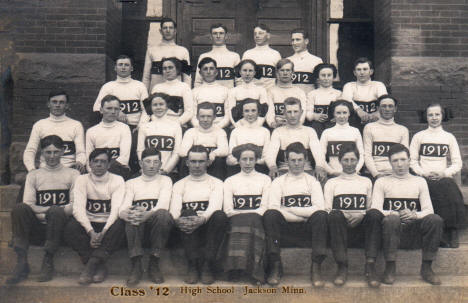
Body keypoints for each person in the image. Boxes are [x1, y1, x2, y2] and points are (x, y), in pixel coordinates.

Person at [6, 135, 80, 284]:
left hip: (60, 228)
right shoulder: (34, 175)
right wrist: (49, 212)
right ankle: (21, 262)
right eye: (48, 152)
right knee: (20, 208)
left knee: (56, 211)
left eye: (56, 152)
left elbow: (73, 206)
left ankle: (48, 260)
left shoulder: (73, 174)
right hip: (39, 228)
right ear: (42, 153)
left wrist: (51, 212)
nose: (52, 156)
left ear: (62, 152)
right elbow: (28, 204)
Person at [370, 143, 444, 285]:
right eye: (395, 160)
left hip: (413, 232)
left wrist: (414, 215)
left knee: (435, 220)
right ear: (390, 163)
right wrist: (394, 213)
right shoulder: (382, 182)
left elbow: (429, 210)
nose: (400, 164)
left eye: (403, 159)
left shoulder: (419, 181)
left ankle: (427, 268)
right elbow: (376, 209)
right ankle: (390, 267)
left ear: (409, 160)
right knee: (392, 219)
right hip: (390, 233)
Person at [263, 142, 328, 287]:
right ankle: (275, 266)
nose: (297, 164)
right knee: (270, 214)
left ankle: (316, 267)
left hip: (307, 230)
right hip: (285, 230)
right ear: (287, 160)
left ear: (305, 160)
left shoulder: (312, 181)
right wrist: (302, 215)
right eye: (293, 160)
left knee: (321, 216)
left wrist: (290, 209)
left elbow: (319, 208)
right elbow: (273, 207)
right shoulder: (278, 182)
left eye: (300, 160)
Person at [64, 148, 126, 285]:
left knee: (121, 225)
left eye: (103, 162)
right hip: (89, 223)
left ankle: (91, 266)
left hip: (108, 224)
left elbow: (116, 210)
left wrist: (103, 232)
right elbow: (78, 208)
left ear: (109, 165)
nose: (99, 164)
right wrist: (91, 232)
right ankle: (99, 266)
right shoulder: (82, 179)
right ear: (90, 164)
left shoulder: (117, 180)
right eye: (95, 161)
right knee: (70, 227)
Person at [324, 144, 381, 287]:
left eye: (352, 160)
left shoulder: (366, 181)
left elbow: (370, 207)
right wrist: (345, 214)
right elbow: (327, 209)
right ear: (339, 161)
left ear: (358, 161)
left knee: (374, 214)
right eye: (345, 160)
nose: (349, 164)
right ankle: (342, 266)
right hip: (339, 229)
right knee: (335, 214)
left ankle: (370, 266)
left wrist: (361, 214)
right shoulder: (332, 183)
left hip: (362, 230)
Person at [170, 145, 228, 285]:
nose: (197, 165)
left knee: (220, 215)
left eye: (201, 161)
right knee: (186, 214)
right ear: (187, 162)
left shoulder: (217, 183)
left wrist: (202, 219)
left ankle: (207, 265)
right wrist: (178, 220)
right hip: (188, 229)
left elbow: (215, 205)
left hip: (209, 227)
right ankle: (193, 265)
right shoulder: (179, 184)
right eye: (193, 161)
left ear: (208, 162)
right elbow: (174, 209)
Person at [410, 103, 464, 248]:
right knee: (429, 189)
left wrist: (444, 173)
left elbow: (457, 163)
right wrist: (423, 173)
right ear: (426, 117)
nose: (434, 118)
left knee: (449, 187)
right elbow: (413, 161)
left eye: (437, 114)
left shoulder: (449, 137)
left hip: (442, 177)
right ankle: (437, 234)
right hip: (423, 177)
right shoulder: (418, 137)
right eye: (430, 115)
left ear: (442, 116)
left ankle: (451, 231)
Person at [119, 148, 174, 286]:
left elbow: (163, 204)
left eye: (156, 162)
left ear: (161, 164)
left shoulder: (166, 180)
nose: (151, 165)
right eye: (147, 161)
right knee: (132, 214)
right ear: (140, 163)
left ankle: (154, 263)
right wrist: (125, 214)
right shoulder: (131, 183)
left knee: (163, 214)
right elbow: (123, 206)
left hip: (157, 227)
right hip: (138, 228)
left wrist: (146, 215)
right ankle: (136, 265)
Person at [222, 143, 270, 284]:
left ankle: (254, 271)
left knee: (254, 220)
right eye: (244, 159)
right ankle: (234, 269)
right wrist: (247, 214)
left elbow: (264, 207)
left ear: (256, 160)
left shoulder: (265, 179)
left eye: (251, 159)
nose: (248, 163)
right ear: (238, 160)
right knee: (240, 221)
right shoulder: (230, 181)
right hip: (236, 219)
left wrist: (248, 214)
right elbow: (228, 209)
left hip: (256, 219)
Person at [92, 55, 149, 172]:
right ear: (115, 68)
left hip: (134, 128)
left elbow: (147, 109)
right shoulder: (109, 86)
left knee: (134, 152)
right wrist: (117, 113)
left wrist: (140, 126)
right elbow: (96, 107)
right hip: (114, 126)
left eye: (126, 65)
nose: (123, 68)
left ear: (132, 68)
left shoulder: (139, 86)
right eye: (120, 65)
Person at [23, 90, 86, 174]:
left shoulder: (76, 125)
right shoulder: (39, 125)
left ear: (67, 105)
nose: (57, 105)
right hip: (45, 171)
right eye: (54, 102)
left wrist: (80, 162)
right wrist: (32, 170)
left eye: (61, 102)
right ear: (48, 104)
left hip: (69, 170)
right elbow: (30, 151)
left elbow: (81, 152)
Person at [266, 97, 326, 181]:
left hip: (306, 170)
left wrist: (319, 166)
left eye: (295, 111)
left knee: (321, 177)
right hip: (284, 170)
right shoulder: (278, 132)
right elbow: (271, 153)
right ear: (284, 113)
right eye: (289, 112)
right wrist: (272, 167)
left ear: (301, 112)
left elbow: (318, 152)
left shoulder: (309, 131)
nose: (292, 115)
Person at [138, 93, 182, 182]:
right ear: (151, 107)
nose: (158, 107)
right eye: (155, 105)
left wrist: (166, 170)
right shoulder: (144, 127)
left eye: (161, 104)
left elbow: (176, 152)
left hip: (169, 172)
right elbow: (140, 150)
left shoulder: (175, 126)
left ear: (167, 106)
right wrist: (146, 168)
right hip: (148, 172)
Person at [86, 95, 132, 180]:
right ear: (101, 110)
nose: (113, 112)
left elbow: (124, 158)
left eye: (116, 109)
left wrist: (106, 174)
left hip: (118, 173)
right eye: (109, 108)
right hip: (96, 174)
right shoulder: (91, 131)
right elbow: (88, 158)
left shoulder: (124, 128)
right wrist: (95, 174)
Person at [363, 95, 409, 180]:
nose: (387, 109)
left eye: (390, 106)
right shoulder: (369, 127)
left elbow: (404, 156)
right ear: (378, 108)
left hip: (396, 175)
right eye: (384, 106)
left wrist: (396, 174)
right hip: (374, 175)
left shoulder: (402, 130)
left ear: (395, 109)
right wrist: (376, 174)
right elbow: (367, 154)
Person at [181, 102, 228, 180]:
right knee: (185, 161)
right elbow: (182, 152)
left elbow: (225, 150)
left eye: (209, 116)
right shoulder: (191, 132)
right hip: (195, 165)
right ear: (197, 117)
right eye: (202, 116)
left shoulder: (220, 132)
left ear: (214, 117)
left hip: (212, 165)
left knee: (219, 161)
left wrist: (214, 154)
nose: (205, 120)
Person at [142, 17, 191, 91]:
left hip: (176, 93)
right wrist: (145, 97)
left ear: (175, 31)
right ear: (160, 31)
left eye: (171, 28)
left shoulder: (183, 51)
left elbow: (187, 77)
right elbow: (146, 77)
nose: (168, 30)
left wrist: (187, 93)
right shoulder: (152, 50)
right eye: (165, 28)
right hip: (157, 93)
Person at [320, 100, 364, 177]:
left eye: (344, 112)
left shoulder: (355, 131)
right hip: (333, 175)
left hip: (353, 174)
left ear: (349, 113)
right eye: (338, 113)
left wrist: (356, 170)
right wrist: (332, 172)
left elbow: (361, 155)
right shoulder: (327, 132)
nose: (342, 116)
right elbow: (320, 156)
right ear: (333, 114)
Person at [341, 58, 387, 130]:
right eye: (358, 70)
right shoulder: (349, 85)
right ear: (354, 72)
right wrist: (359, 111)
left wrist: (377, 113)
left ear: (371, 71)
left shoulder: (378, 85)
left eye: (365, 69)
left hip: (375, 120)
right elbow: (347, 100)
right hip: (355, 122)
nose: (362, 72)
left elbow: (385, 100)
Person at [146, 57, 193, 128]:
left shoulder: (184, 87)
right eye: (164, 68)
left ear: (177, 69)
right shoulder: (157, 87)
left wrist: (177, 123)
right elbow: (150, 111)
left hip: (177, 125)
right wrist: (158, 122)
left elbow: (189, 112)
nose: (167, 70)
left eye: (170, 67)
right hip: (158, 125)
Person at [227, 99, 270, 176]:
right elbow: (230, 158)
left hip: (259, 170)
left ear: (258, 112)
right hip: (239, 170)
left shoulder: (265, 132)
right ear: (242, 113)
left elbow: (266, 156)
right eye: (246, 111)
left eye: (253, 110)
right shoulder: (236, 132)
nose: (250, 114)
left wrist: (251, 161)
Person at [194, 23, 241, 88]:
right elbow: (198, 82)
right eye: (215, 33)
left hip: (229, 96)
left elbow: (239, 82)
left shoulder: (234, 56)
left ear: (226, 36)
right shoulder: (203, 56)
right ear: (210, 36)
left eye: (221, 33)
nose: (218, 36)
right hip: (208, 96)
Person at [227, 59, 270, 127]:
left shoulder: (261, 90)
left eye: (250, 71)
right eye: (244, 70)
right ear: (240, 72)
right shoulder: (233, 91)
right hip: (239, 127)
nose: (247, 74)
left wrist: (256, 126)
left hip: (257, 127)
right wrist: (240, 128)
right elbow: (231, 113)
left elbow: (264, 112)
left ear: (254, 73)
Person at [266, 58, 307, 129]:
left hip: (295, 127)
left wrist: (295, 123)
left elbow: (303, 113)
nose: (285, 73)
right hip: (276, 127)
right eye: (282, 70)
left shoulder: (299, 92)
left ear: (292, 72)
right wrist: (273, 124)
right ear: (277, 73)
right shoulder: (271, 91)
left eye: (288, 70)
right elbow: (269, 112)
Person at [191, 57, 230, 129]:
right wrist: (200, 128)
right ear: (200, 73)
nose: (208, 72)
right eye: (205, 69)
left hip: (220, 129)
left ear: (216, 72)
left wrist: (216, 128)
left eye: (211, 68)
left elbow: (228, 116)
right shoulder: (194, 92)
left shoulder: (225, 91)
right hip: (200, 130)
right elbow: (193, 116)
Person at [306, 63, 342, 137]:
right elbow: (308, 113)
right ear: (318, 77)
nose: (326, 78)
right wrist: (314, 116)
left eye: (329, 75)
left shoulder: (338, 94)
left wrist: (337, 117)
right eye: (323, 75)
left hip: (334, 125)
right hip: (317, 126)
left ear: (333, 77)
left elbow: (343, 111)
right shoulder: (312, 94)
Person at [242, 24, 281, 89]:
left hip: (269, 93)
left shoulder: (275, 54)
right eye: (255, 34)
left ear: (268, 36)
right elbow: (241, 77)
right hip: (251, 94)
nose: (257, 36)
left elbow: (279, 76)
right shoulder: (247, 54)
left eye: (260, 33)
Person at [287, 28, 323, 94]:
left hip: (309, 100)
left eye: (298, 40)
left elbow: (320, 86)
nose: (294, 43)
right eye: (293, 40)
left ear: (306, 41)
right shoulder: (287, 61)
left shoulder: (316, 61)